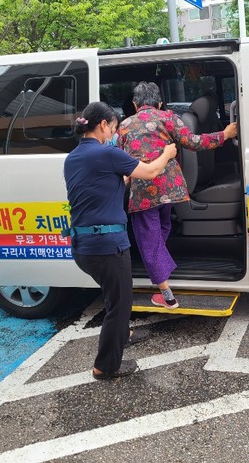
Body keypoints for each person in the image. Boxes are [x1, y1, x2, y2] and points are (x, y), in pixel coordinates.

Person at [63, 102, 177, 380]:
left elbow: (106, 184)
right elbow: (151, 172)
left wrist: (125, 175)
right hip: (107, 246)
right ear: (103, 125)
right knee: (120, 304)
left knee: (114, 297)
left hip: (83, 247)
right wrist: (167, 153)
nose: (114, 133)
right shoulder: (107, 153)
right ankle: (106, 366)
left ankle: (122, 333)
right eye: (113, 128)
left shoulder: (74, 157)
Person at [118, 82, 238, 309]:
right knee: (162, 228)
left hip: (143, 191)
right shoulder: (169, 118)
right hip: (170, 188)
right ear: (160, 103)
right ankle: (162, 275)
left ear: (135, 105)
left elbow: (117, 156)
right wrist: (225, 134)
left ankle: (166, 293)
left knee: (148, 239)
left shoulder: (124, 125)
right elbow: (194, 143)